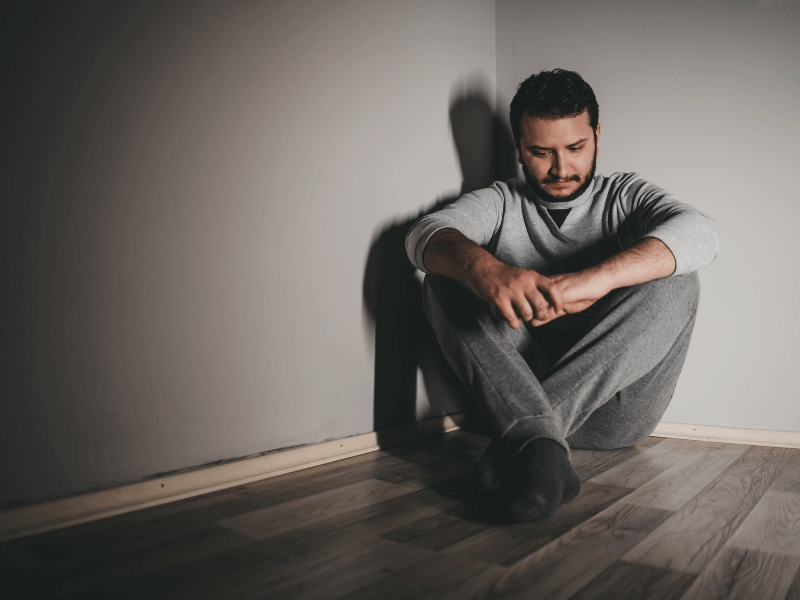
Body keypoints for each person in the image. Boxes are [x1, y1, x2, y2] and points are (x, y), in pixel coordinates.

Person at [404, 69, 719, 523]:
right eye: (540, 152)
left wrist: (598, 279)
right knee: (443, 275)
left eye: (575, 148)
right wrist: (485, 270)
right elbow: (424, 234)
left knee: (679, 277)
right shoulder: (500, 202)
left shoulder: (624, 196)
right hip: (516, 396)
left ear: (596, 136)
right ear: (517, 147)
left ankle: (530, 443)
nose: (561, 168)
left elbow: (703, 232)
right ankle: (541, 450)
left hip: (613, 415)